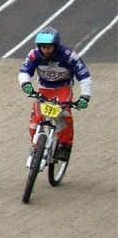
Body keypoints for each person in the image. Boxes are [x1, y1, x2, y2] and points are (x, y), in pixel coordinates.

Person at [18, 26, 92, 161]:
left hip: (63, 89)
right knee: (34, 122)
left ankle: (65, 146)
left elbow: (84, 77)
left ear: (56, 46)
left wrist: (85, 96)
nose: (46, 50)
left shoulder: (69, 56)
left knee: (64, 116)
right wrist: (25, 83)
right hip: (44, 90)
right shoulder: (34, 54)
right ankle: (36, 146)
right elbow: (24, 72)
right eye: (43, 47)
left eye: (49, 47)